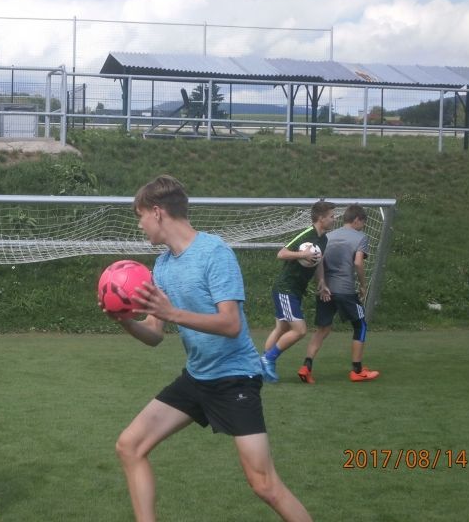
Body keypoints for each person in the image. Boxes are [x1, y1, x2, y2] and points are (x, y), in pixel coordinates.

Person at [110, 175, 312, 522]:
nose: (140, 225)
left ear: (157, 212)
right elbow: (155, 333)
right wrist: (126, 321)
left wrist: (173, 313)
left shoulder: (214, 253)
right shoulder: (162, 266)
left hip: (235, 379)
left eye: (140, 216)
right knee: (130, 446)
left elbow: (230, 324)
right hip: (197, 378)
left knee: (264, 484)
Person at [298, 204, 380, 383]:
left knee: (323, 329)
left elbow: (318, 261)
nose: (363, 227)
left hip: (325, 290)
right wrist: (363, 285)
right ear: (357, 220)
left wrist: (322, 283)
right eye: (363, 223)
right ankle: (357, 370)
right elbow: (358, 263)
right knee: (360, 325)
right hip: (345, 290)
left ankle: (306, 366)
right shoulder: (361, 237)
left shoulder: (328, 236)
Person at [261, 200, 336, 383]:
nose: (334, 219)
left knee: (282, 328)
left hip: (295, 290)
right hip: (286, 288)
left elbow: (318, 261)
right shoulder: (307, 234)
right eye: (331, 216)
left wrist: (321, 281)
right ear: (321, 218)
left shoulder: (323, 239)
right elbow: (281, 254)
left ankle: (261, 367)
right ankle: (267, 359)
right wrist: (303, 254)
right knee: (300, 330)